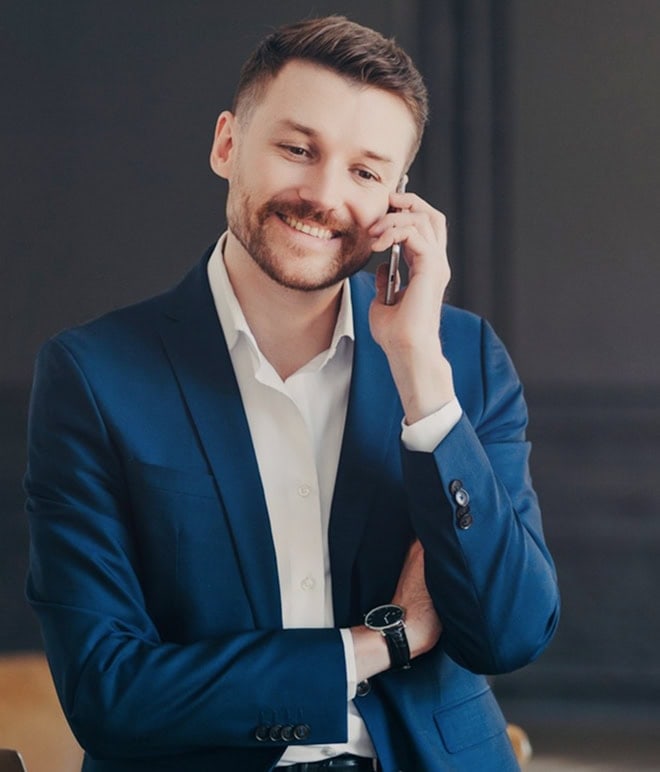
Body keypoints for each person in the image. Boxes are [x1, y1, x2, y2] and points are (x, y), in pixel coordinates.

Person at [25, 15, 559, 772]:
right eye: (298, 149)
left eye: (366, 172)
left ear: (397, 201)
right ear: (227, 145)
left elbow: (512, 635)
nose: (323, 195)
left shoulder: (462, 359)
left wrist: (422, 381)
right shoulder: (93, 375)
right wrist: (384, 642)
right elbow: (105, 692)